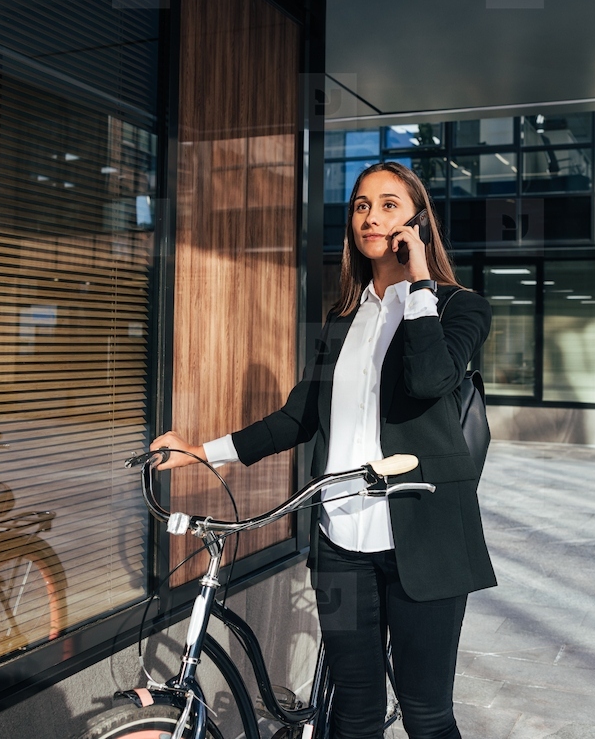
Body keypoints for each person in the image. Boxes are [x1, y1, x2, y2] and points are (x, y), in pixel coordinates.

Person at [151, 161, 496, 739]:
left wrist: (419, 288)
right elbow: (297, 418)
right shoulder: (343, 320)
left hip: (427, 536)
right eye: (361, 204)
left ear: (419, 221)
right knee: (353, 713)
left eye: (389, 204)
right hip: (341, 543)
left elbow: (431, 378)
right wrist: (201, 451)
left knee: (426, 712)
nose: (371, 216)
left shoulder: (460, 307)